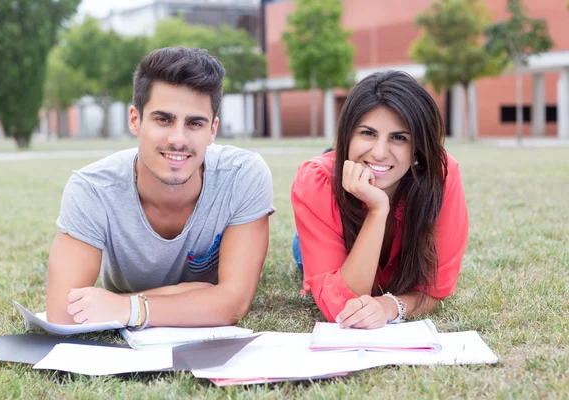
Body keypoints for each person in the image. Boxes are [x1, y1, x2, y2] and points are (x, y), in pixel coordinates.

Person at [46, 47, 275, 328]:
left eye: (194, 123)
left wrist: (126, 305)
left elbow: (234, 304)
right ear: (135, 120)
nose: (178, 139)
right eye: (163, 119)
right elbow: (63, 314)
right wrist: (197, 296)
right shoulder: (92, 189)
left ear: (212, 130)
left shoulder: (243, 175)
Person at [291, 71, 468, 330]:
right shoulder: (317, 180)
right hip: (327, 235)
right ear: (347, 136)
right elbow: (342, 307)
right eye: (368, 133)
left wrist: (389, 306)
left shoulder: (441, 176)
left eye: (399, 137)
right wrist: (377, 209)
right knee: (304, 253)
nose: (380, 152)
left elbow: (435, 288)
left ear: (417, 146)